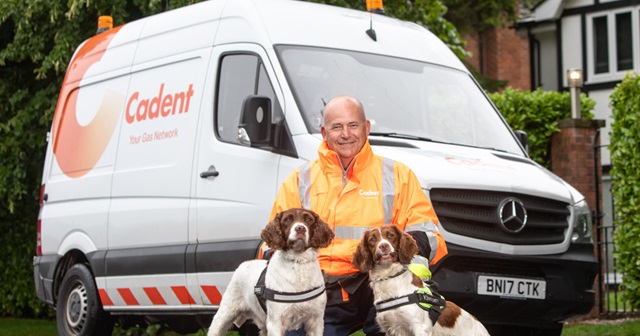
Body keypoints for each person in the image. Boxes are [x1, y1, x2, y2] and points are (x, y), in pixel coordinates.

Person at [269, 96, 448, 336]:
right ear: (324, 132)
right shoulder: (301, 179)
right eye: (337, 127)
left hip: (383, 281)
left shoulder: (397, 175)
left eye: (353, 125)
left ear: (367, 128)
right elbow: (273, 242)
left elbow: (429, 236)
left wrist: (405, 274)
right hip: (321, 290)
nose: (346, 134)